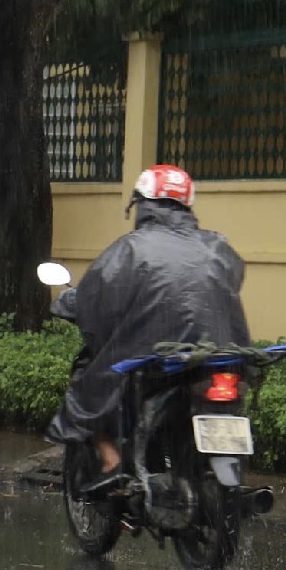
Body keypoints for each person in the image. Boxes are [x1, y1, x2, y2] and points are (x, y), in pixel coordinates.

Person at [49, 165, 249, 492]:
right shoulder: (216, 246)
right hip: (219, 354)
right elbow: (232, 279)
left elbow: (96, 296)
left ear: (142, 205)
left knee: (86, 383)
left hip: (154, 355)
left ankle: (111, 459)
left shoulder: (131, 248)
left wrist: (69, 303)